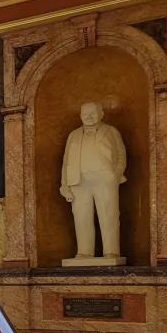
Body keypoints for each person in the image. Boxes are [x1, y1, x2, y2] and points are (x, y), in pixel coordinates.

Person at [60, 101, 127, 260]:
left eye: (93, 113)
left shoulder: (111, 131)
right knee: (81, 217)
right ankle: (84, 251)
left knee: (108, 214)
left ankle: (111, 251)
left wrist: (116, 174)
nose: (89, 117)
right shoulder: (73, 135)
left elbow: (121, 154)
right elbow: (66, 160)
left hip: (104, 178)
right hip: (78, 180)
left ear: (102, 114)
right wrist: (64, 184)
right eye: (85, 114)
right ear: (80, 116)